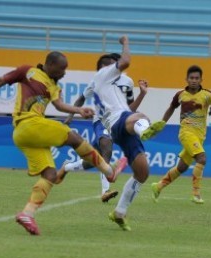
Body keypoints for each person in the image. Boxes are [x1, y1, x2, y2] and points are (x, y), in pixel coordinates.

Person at [0, 51, 124, 235]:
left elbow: (59, 105)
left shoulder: (53, 86)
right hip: (28, 124)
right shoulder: (28, 71)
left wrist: (78, 110)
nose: (64, 73)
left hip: (22, 134)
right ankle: (109, 172)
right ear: (50, 64)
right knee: (74, 137)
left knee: (50, 175)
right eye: (61, 69)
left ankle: (27, 214)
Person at [92, 35, 165, 231]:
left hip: (123, 125)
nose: (119, 69)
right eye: (113, 66)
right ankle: (145, 131)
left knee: (142, 172)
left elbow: (128, 109)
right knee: (140, 117)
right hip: (119, 122)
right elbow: (126, 61)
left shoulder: (109, 88)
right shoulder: (102, 77)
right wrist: (125, 42)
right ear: (105, 68)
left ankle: (119, 213)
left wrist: (141, 94)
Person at [57, 53, 149, 203]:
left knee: (91, 161)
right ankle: (105, 190)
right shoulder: (96, 81)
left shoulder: (127, 82)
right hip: (101, 121)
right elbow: (81, 98)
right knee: (107, 147)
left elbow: (130, 108)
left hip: (118, 121)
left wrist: (142, 95)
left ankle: (67, 167)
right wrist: (70, 116)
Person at [151, 65, 211, 204]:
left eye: (197, 78)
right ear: (186, 79)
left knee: (182, 167)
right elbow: (171, 108)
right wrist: (162, 123)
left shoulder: (207, 95)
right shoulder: (180, 95)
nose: (194, 80)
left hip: (199, 136)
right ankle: (196, 194)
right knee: (202, 159)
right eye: (191, 78)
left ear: (201, 79)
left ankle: (158, 186)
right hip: (186, 133)